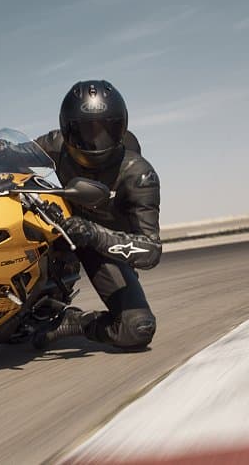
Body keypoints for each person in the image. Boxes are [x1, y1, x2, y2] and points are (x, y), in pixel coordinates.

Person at [30, 80, 161, 351]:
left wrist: (94, 234)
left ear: (121, 127)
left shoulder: (139, 175)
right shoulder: (56, 144)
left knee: (138, 328)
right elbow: (13, 152)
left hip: (103, 247)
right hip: (58, 227)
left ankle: (76, 321)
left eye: (105, 130)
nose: (94, 140)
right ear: (67, 129)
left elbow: (151, 251)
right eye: (84, 131)